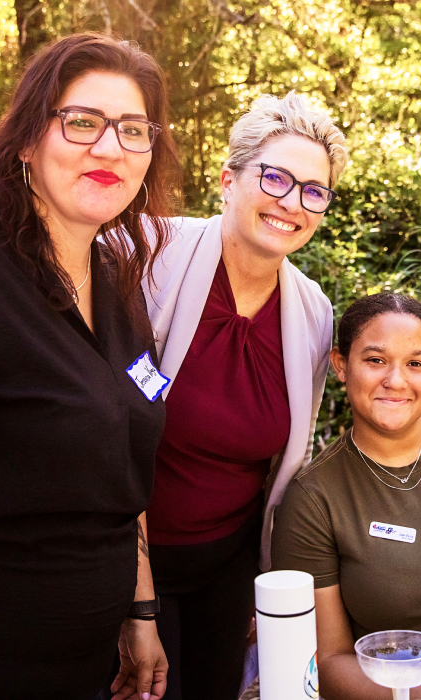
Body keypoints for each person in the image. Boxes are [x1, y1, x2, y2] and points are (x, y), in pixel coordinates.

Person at [0, 33, 181, 700]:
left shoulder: (115, 275)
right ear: (27, 140)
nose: (110, 148)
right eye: (82, 121)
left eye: (133, 130)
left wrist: (140, 610)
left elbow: (122, 468)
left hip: (92, 671)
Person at [140, 92, 349, 700]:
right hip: (118, 557)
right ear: (229, 180)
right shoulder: (145, 254)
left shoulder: (312, 315)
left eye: (314, 191)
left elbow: (289, 462)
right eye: (276, 177)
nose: (292, 203)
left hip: (226, 566)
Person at [272, 293, 421, 700]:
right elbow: (326, 662)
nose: (396, 380)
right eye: (376, 360)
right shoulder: (313, 499)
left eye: (415, 363)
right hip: (401, 687)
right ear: (341, 365)